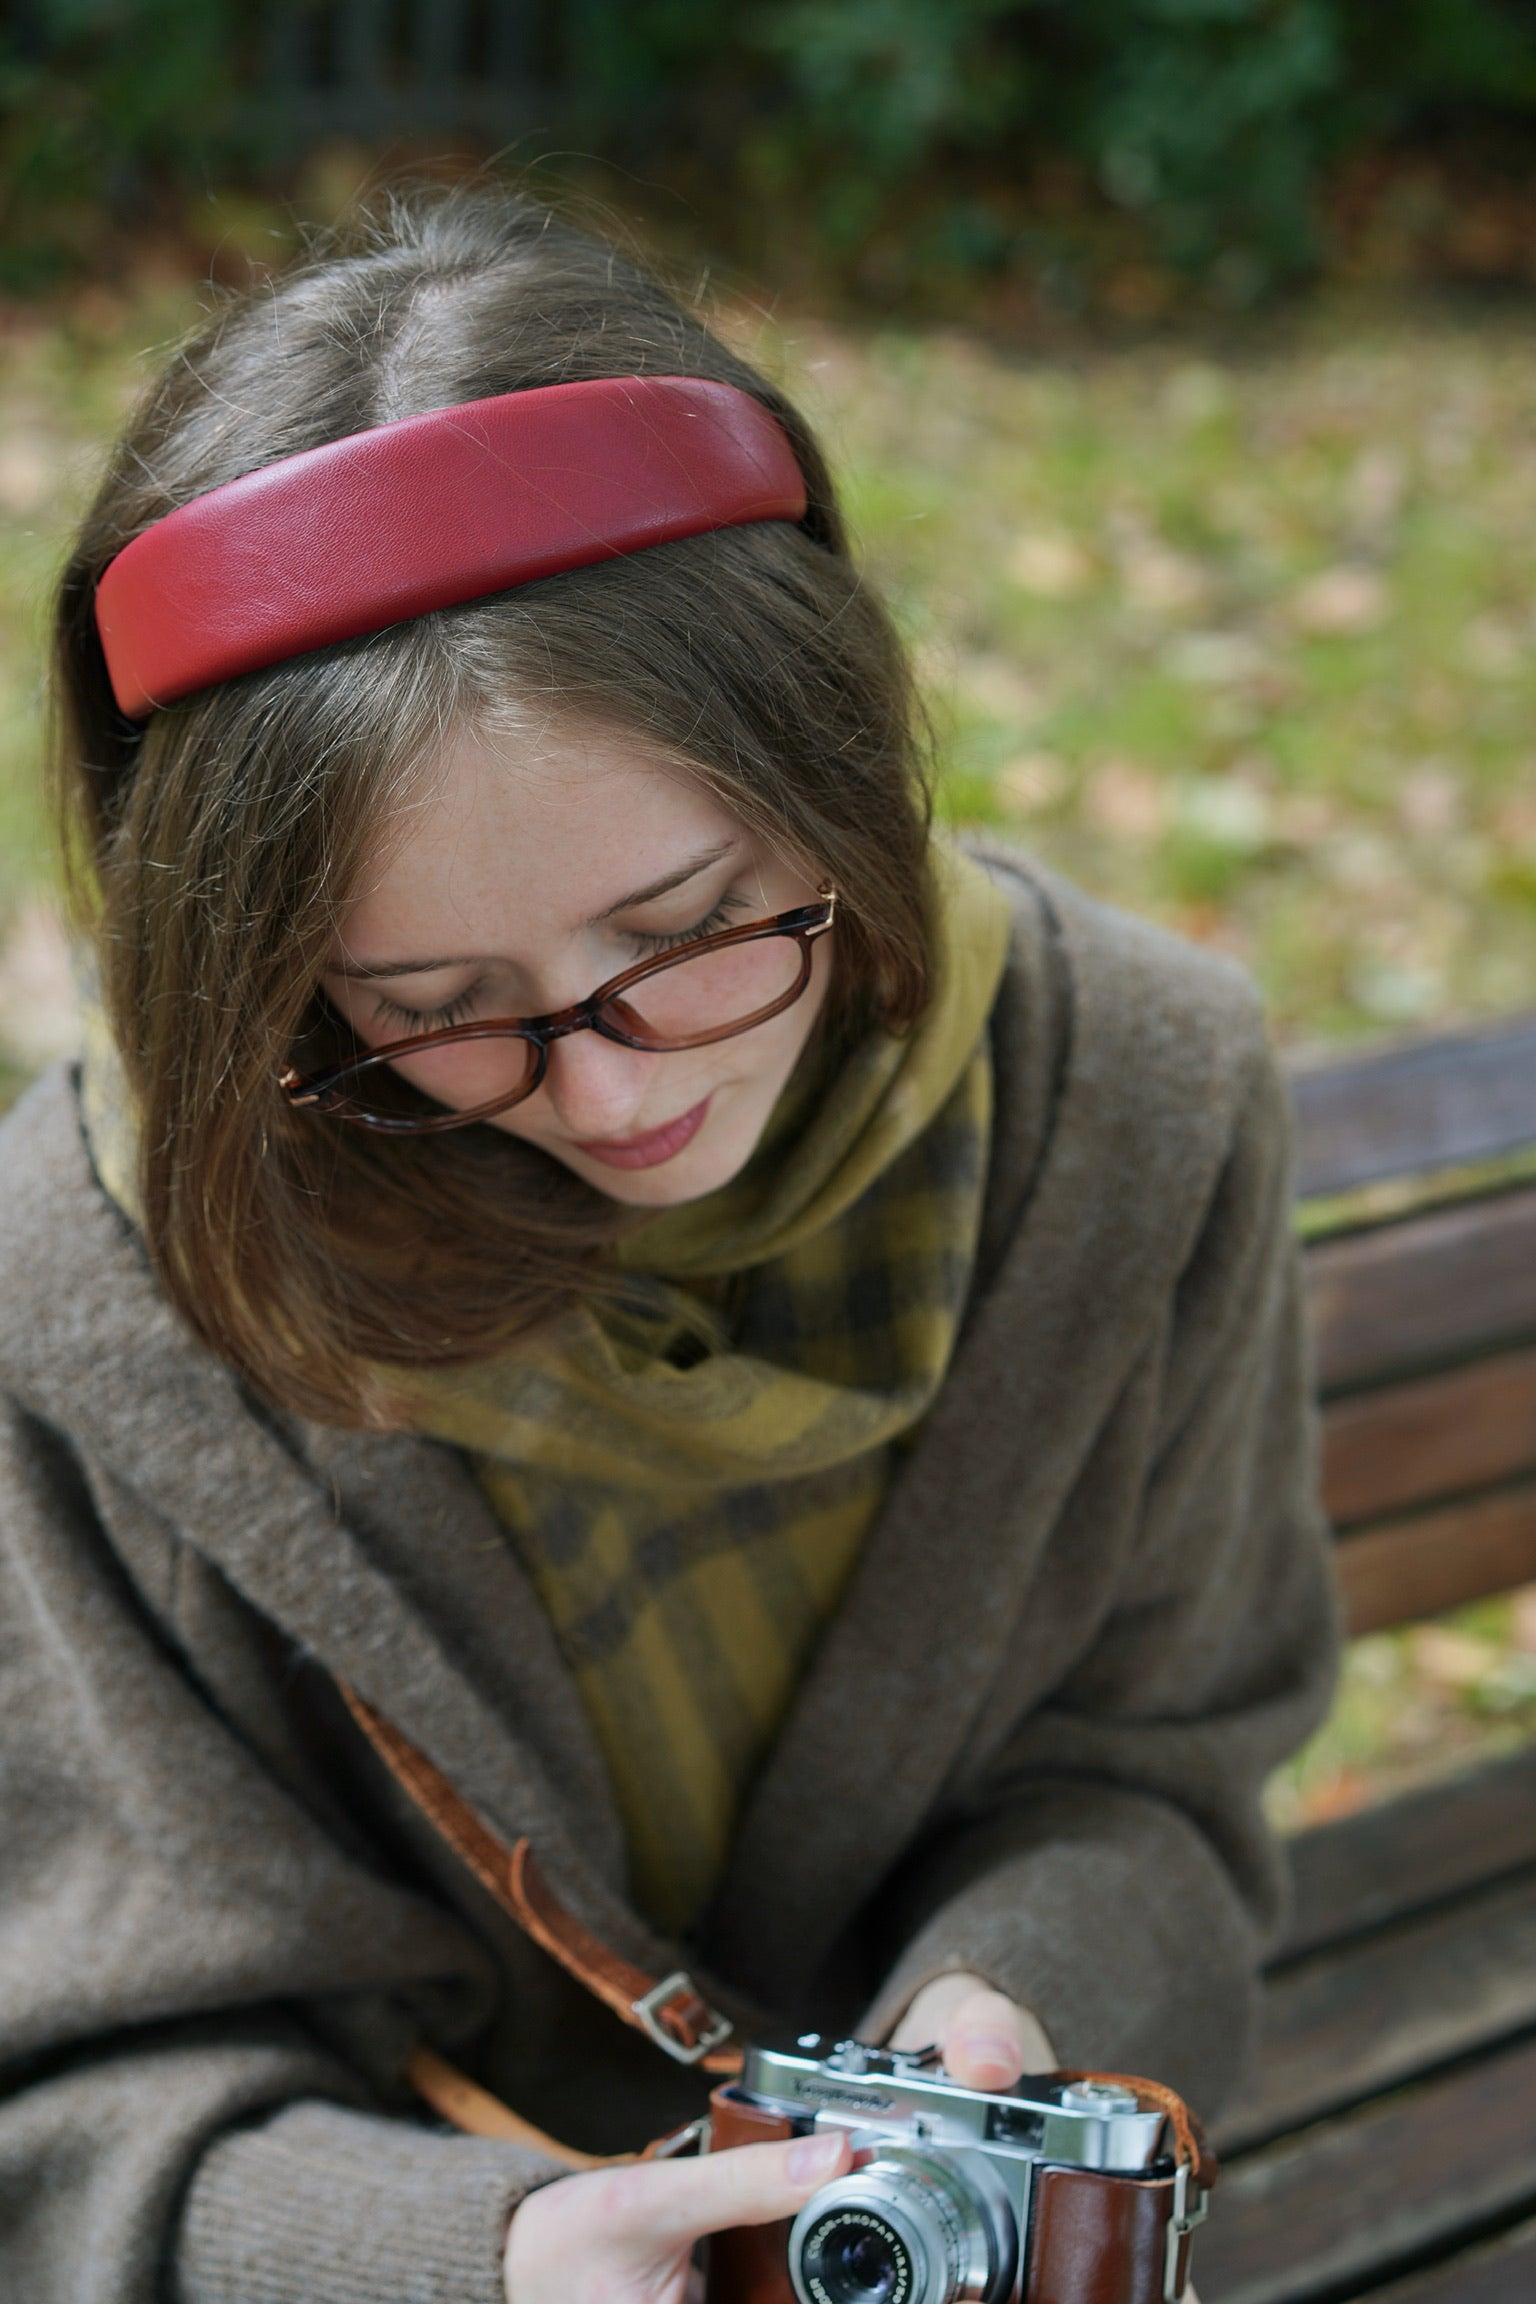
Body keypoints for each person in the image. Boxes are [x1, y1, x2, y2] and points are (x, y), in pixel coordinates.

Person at [0, 190, 1337, 2304]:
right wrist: (486, 2264)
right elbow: (66, 2112)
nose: (614, 1101)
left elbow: (1156, 1766)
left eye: (692, 932)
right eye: (426, 1004)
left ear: (840, 772)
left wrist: (1013, 2011)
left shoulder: (1138, 1106)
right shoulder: (92, 1302)